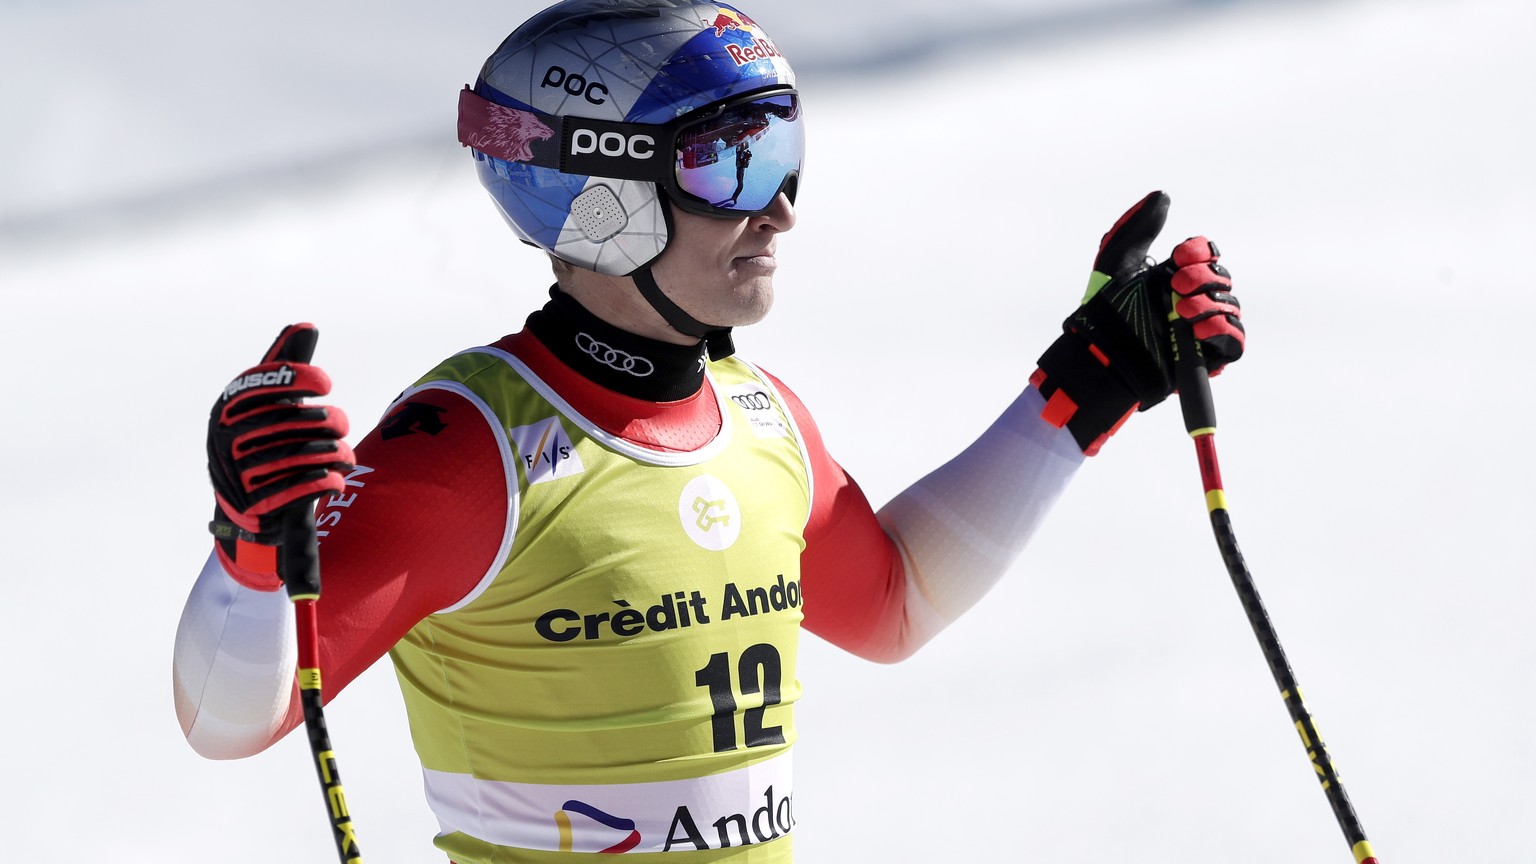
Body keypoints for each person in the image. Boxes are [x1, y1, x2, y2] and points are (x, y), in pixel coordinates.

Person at [172, 1, 1244, 862]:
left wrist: (1086, 388)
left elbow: (894, 604)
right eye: (729, 162)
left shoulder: (760, 420)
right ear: (602, 195)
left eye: (783, 153)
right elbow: (230, 722)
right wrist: (249, 552)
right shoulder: (471, 450)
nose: (777, 209)